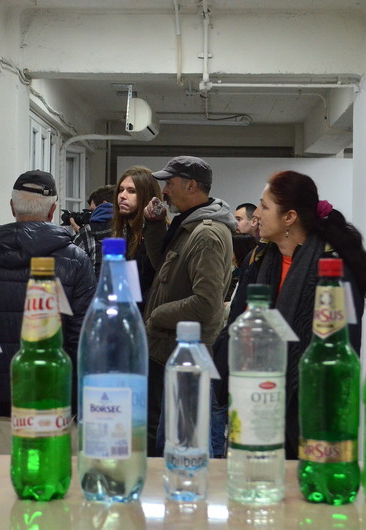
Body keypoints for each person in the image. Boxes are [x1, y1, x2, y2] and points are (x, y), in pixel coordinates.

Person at [212, 170, 366, 459]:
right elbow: (236, 322)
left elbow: (344, 348)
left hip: (310, 413)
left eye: (265, 207)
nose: (257, 215)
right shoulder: (260, 258)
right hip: (254, 402)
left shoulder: (333, 268)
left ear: (289, 217)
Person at [0, 170, 96, 454]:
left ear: (12, 207)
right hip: (52, 397)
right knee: (48, 476)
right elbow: (81, 337)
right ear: (53, 210)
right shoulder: (75, 259)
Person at [142, 155, 236, 456]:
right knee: (164, 438)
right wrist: (154, 225)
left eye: (170, 183)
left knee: (176, 444)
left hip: (183, 356)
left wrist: (156, 316)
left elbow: (205, 303)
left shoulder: (205, 234)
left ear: (192, 186)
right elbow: (164, 269)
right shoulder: (188, 224)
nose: (164, 191)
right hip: (169, 350)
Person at [111, 165, 162, 306]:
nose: (122, 196)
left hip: (149, 314)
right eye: (121, 190)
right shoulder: (124, 233)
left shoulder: (154, 237)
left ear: (146, 196)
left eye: (131, 191)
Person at [72, 184, 115, 278]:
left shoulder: (87, 233)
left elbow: (72, 268)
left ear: (104, 204)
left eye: (92, 210)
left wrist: (82, 234)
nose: (91, 214)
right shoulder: (130, 227)